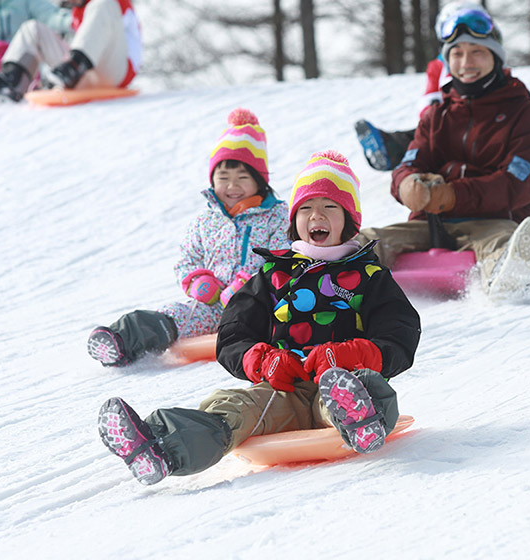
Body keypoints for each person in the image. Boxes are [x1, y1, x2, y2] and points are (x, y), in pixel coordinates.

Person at [97, 151, 422, 485]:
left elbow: (399, 334)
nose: (316, 217)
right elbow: (233, 332)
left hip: (342, 379)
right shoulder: (273, 275)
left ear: (348, 219)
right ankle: (160, 447)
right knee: (234, 407)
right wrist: (263, 361)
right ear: (294, 219)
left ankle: (362, 419)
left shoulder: (368, 275)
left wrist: (349, 355)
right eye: (306, 209)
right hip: (284, 390)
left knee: (362, 390)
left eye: (329, 207)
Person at [356, 6, 530, 299]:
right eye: (457, 54)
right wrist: (408, 185)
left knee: (504, 242)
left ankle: (512, 277)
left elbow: (517, 184)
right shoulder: (436, 116)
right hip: (429, 224)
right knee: (366, 241)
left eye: (477, 52)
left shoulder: (527, 117)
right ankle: (338, 278)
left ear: (496, 58)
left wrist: (452, 195)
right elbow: (409, 163)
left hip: (494, 222)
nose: (466, 62)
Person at [86, 109, 290, 367]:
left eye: (242, 178)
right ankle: (121, 340)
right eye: (223, 178)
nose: (231, 186)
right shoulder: (206, 221)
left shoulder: (276, 216)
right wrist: (198, 280)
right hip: (213, 306)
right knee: (175, 314)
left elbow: (281, 258)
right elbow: (187, 258)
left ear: (260, 181)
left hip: (259, 307)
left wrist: (246, 286)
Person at [354, 2, 483, 171]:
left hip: (481, 123)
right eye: (453, 30)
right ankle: (391, 147)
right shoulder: (438, 66)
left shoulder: (488, 61)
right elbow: (428, 97)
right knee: (424, 135)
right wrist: (432, 114)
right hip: (445, 122)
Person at [0, 0, 141, 102]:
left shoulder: (112, 5)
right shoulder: (80, 12)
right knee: (32, 28)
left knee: (103, 3)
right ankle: (13, 80)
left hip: (116, 71)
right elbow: (59, 20)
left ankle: (73, 66)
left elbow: (125, 39)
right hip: (80, 73)